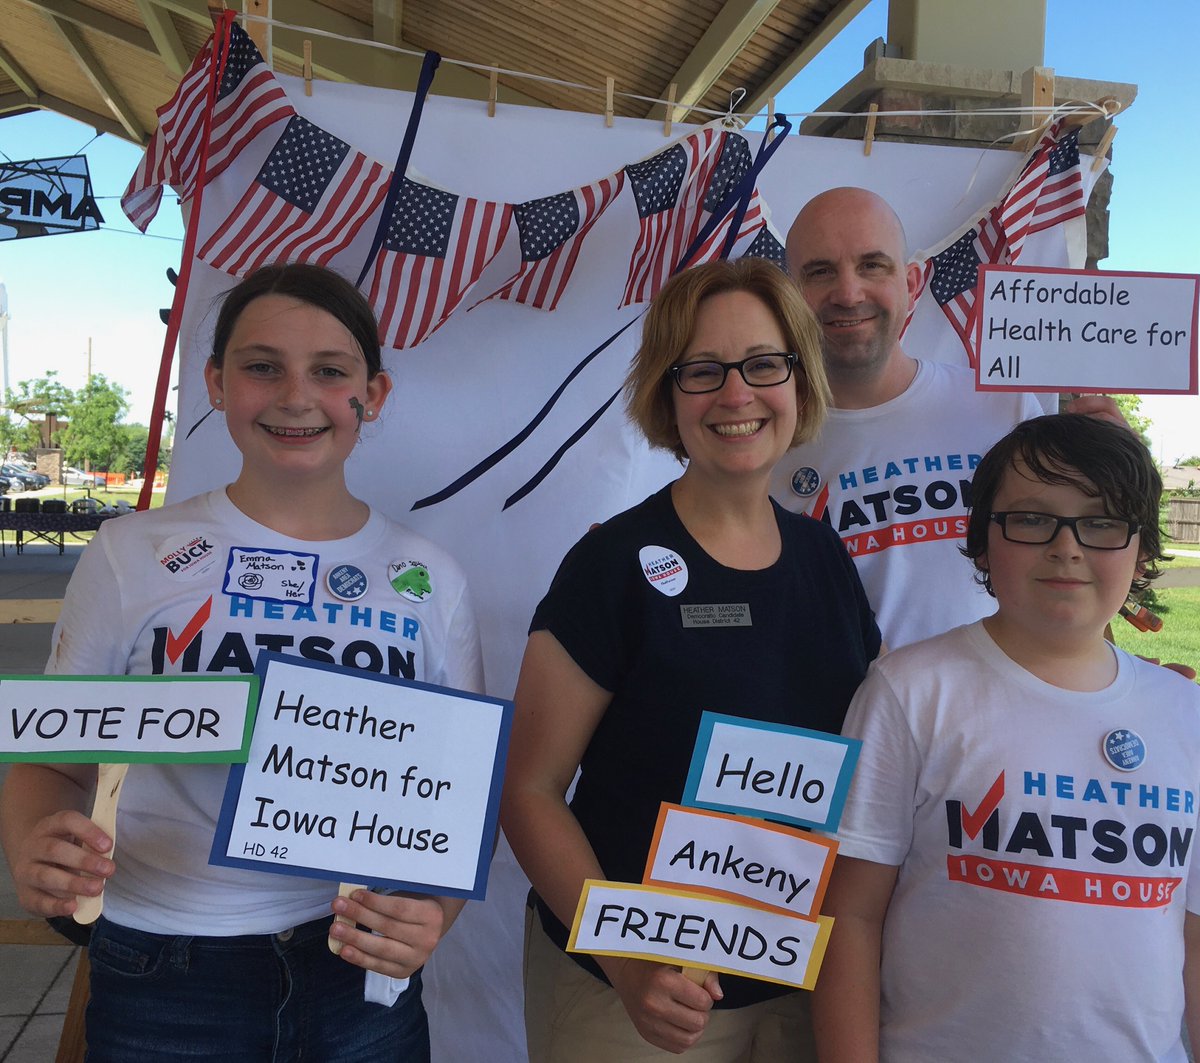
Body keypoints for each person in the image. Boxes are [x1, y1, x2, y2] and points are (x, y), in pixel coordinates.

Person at [0, 263, 484, 1061]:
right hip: (166, 966)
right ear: (218, 383)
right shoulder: (130, 555)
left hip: (358, 974)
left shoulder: (430, 579)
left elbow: (457, 800)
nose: (297, 395)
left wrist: (433, 915)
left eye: (330, 371)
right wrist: (32, 844)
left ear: (376, 394)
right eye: (264, 366)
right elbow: (51, 764)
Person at [500, 258, 881, 1061]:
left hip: (799, 985)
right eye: (702, 370)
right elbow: (529, 791)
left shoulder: (826, 559)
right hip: (636, 997)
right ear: (668, 395)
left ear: (799, 382)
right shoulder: (612, 565)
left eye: (763, 364)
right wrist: (628, 958)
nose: (736, 394)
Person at [812, 413, 1200, 1062]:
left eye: (1101, 521)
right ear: (983, 543)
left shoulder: (1185, 714)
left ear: (1140, 551)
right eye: (1031, 518)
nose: (1067, 547)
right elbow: (848, 917)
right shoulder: (909, 692)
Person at [769, 186, 1126, 649]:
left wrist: (1113, 472)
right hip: (842, 715)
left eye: (873, 265)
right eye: (820, 272)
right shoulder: (765, 441)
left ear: (913, 283)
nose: (848, 292)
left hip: (1004, 704)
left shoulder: (1004, 407)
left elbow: (1079, 554)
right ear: (790, 294)